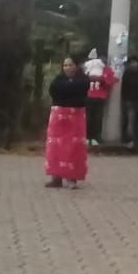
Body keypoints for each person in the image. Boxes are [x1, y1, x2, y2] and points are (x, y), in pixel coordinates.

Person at [45, 57, 90, 190]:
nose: (67, 68)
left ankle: (71, 178)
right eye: (65, 65)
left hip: (75, 117)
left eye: (70, 65)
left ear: (76, 66)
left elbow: (79, 92)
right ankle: (56, 177)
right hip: (58, 117)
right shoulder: (58, 79)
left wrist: (66, 91)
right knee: (55, 148)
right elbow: (54, 91)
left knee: (73, 148)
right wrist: (68, 90)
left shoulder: (83, 80)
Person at [83, 48, 112, 147]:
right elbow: (109, 83)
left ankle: (91, 137)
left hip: (93, 96)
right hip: (96, 96)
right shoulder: (105, 69)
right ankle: (92, 137)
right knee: (94, 118)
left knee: (93, 117)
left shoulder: (87, 68)